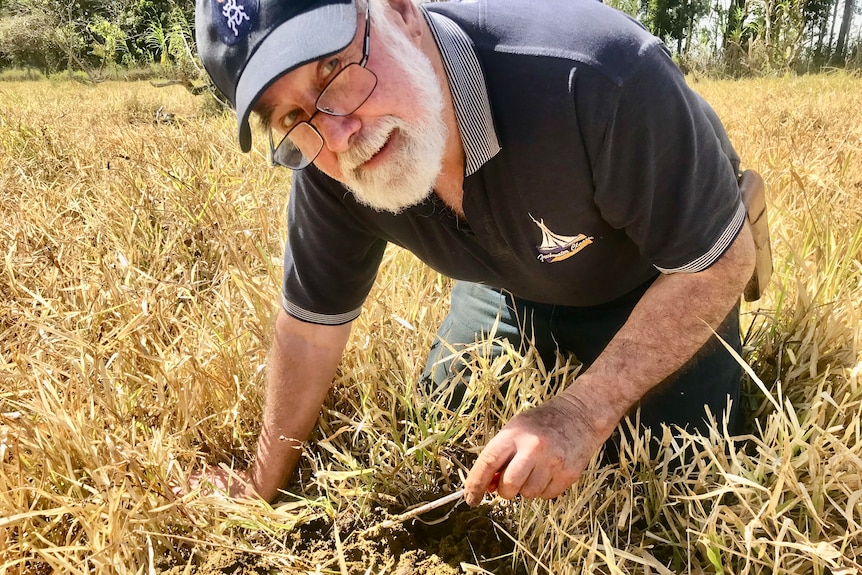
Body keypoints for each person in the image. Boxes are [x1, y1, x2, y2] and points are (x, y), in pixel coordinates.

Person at [194, 0, 756, 507]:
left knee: (667, 485)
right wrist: (257, 482)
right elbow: (308, 331)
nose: (339, 135)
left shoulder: (592, 73)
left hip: (662, 277)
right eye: (292, 115)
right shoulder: (324, 166)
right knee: (438, 427)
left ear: (398, 10)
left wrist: (582, 413)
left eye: (334, 69)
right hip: (512, 284)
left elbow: (721, 261)